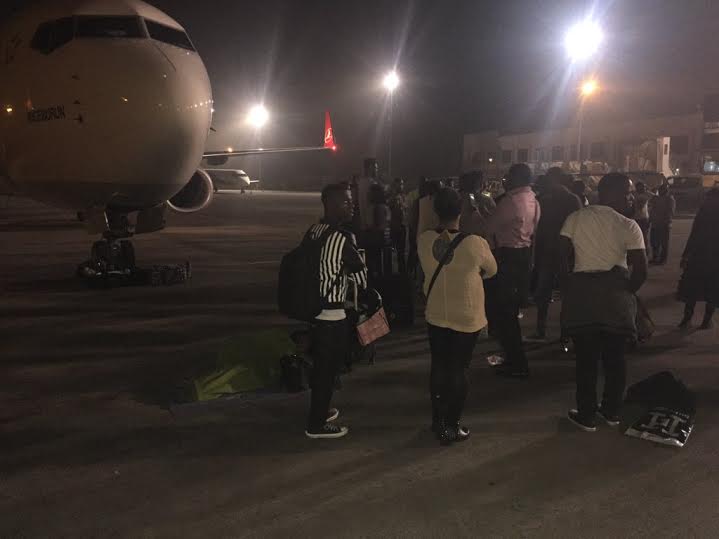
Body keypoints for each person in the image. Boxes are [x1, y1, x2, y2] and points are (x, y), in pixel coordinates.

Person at [559, 172, 648, 432]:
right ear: (611, 193)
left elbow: (560, 256)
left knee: (586, 360)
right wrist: (626, 291)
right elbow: (641, 270)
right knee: (615, 358)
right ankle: (611, 411)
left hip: (583, 296)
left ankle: (586, 415)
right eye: (627, 193)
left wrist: (569, 285)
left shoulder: (576, 218)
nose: (631, 198)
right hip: (616, 298)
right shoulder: (629, 225)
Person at [418, 187, 497, 445]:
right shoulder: (476, 243)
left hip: (436, 312)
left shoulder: (424, 240)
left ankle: (437, 420)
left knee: (439, 366)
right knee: (458, 368)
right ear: (461, 211)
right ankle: (452, 425)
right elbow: (492, 270)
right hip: (466, 314)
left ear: (435, 211)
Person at [303, 183, 368, 439]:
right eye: (347, 201)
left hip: (315, 311)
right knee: (328, 371)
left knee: (322, 367)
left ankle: (320, 411)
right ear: (331, 204)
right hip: (333, 315)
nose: (352, 206)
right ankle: (316, 425)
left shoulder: (314, 231)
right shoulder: (342, 239)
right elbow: (362, 279)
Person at [484, 163, 540, 377]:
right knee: (510, 310)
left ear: (518, 178)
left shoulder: (510, 201)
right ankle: (512, 357)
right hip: (523, 256)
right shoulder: (533, 200)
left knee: (504, 312)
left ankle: (517, 361)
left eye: (510, 176)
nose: (506, 179)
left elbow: (488, 228)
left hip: (507, 256)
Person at [528, 167, 581, 342]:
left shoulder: (545, 199)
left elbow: (536, 228)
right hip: (563, 252)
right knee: (563, 295)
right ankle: (564, 334)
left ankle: (543, 331)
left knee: (545, 294)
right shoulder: (571, 199)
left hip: (551, 252)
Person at [677, 188, 719, 329]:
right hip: (715, 260)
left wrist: (686, 255)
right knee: (713, 291)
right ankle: (706, 321)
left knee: (692, 289)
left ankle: (687, 319)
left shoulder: (703, 212)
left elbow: (693, 235)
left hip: (698, 257)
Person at [366, 183, 392, 279]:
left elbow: (371, 224)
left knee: (378, 262)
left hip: (377, 237)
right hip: (383, 237)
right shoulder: (383, 207)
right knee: (383, 262)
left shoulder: (375, 207)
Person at [458, 171, 495, 238]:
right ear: (480, 183)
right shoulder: (485, 198)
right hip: (480, 236)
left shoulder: (460, 197)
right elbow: (494, 217)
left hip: (462, 236)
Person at [649, 183, 676, 265]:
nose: (661, 191)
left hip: (664, 224)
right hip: (655, 223)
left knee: (663, 243)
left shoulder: (669, 199)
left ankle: (663, 259)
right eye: (660, 189)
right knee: (654, 242)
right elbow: (651, 209)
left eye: (663, 190)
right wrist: (650, 219)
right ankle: (655, 257)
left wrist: (666, 221)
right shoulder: (656, 198)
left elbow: (670, 212)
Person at [388, 177, 408, 274]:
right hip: (394, 226)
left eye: (402, 184)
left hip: (402, 226)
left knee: (401, 251)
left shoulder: (403, 196)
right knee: (392, 252)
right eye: (399, 184)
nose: (401, 186)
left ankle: (402, 272)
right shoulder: (391, 197)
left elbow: (405, 209)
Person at [357, 158, 379, 231]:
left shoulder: (361, 182)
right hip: (372, 224)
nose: (377, 170)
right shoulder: (371, 183)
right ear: (370, 168)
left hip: (364, 223)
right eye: (375, 168)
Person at [633, 181, 652, 250]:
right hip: (635, 218)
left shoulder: (647, 194)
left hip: (644, 218)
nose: (643, 188)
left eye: (644, 187)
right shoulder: (634, 194)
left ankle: (645, 251)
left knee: (644, 236)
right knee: (636, 236)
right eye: (641, 187)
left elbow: (656, 199)